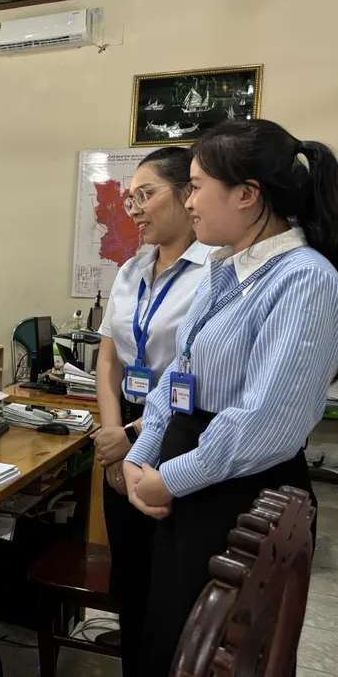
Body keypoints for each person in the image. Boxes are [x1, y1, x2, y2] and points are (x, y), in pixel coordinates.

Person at [123, 119, 338, 675]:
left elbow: (264, 423)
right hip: (189, 478)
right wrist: (142, 454)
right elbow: (177, 378)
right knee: (168, 637)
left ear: (247, 194)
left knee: (212, 652)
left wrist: (167, 477)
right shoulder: (225, 269)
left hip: (236, 489)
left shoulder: (303, 277)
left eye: (195, 186)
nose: (188, 202)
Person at [90, 148, 213, 677]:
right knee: (131, 586)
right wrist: (113, 431)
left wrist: (133, 437)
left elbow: (205, 381)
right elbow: (109, 355)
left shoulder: (216, 272)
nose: (133, 208)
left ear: (187, 195)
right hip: (122, 428)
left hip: (179, 434)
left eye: (146, 195)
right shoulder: (130, 269)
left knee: (172, 596)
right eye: (130, 196)